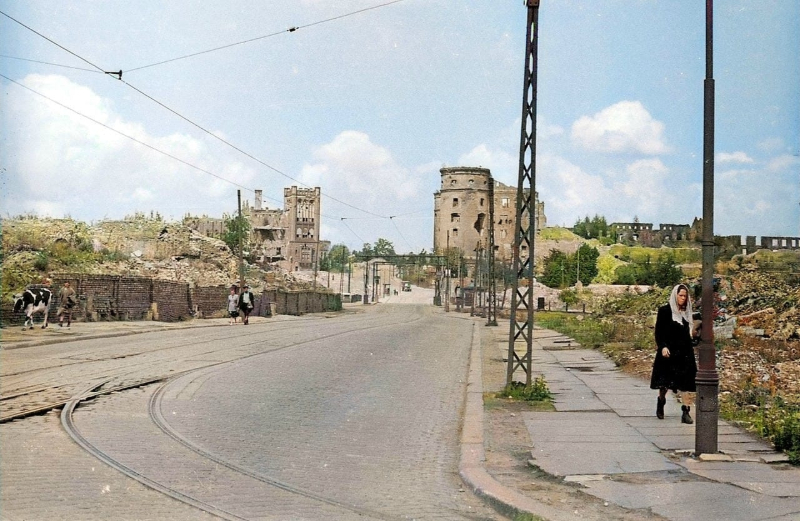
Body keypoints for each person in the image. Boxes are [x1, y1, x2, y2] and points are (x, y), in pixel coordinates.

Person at [650, 284, 700, 424]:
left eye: (685, 296)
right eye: (680, 295)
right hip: (669, 351)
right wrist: (663, 347)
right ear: (675, 295)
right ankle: (661, 401)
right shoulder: (665, 311)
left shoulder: (687, 312)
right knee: (665, 382)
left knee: (686, 383)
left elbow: (690, 332)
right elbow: (659, 332)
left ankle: (686, 411)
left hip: (684, 351)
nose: (683, 298)